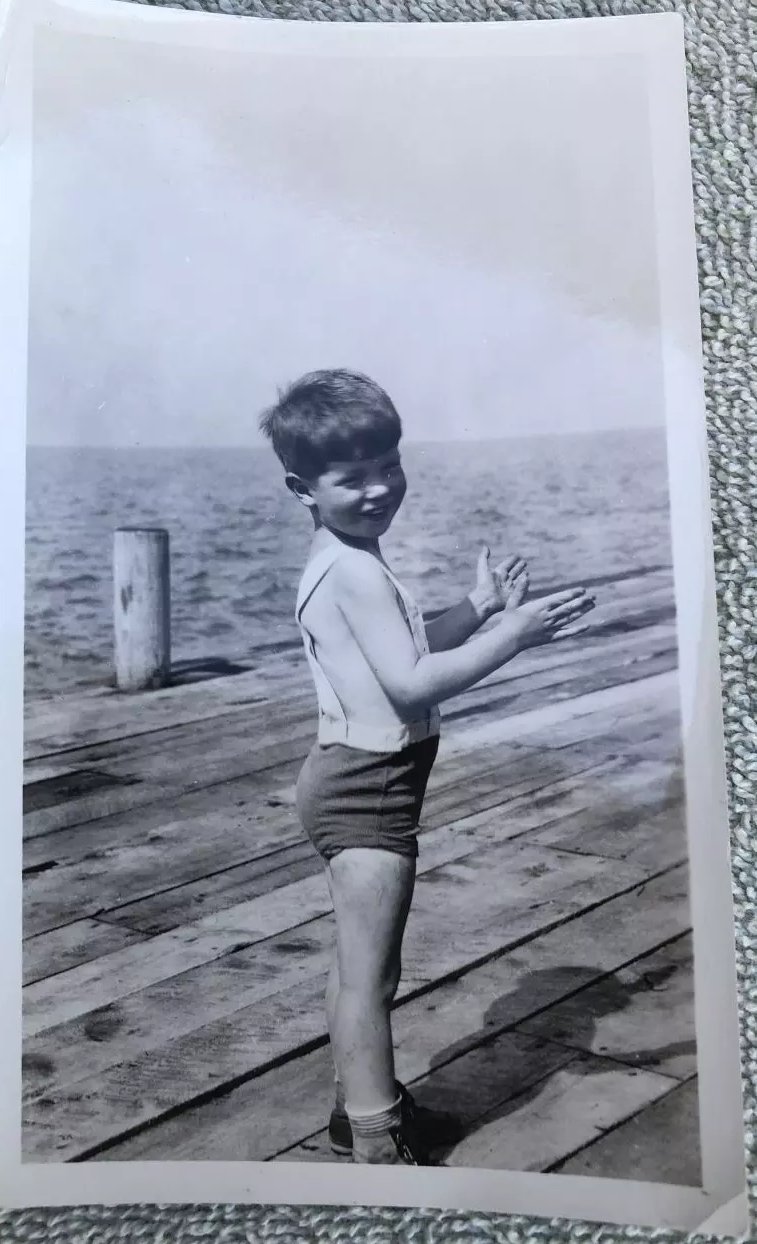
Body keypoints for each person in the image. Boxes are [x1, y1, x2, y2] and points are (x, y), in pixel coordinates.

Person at [259, 368, 595, 1166]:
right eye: (352, 477)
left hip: (350, 778)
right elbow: (412, 686)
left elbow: (404, 654)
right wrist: (511, 637)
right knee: (370, 979)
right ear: (301, 487)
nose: (378, 489)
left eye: (389, 465)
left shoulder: (347, 558)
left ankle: (356, 1111)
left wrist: (475, 611)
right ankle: (378, 1147)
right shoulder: (355, 570)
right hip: (368, 793)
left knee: (359, 966)